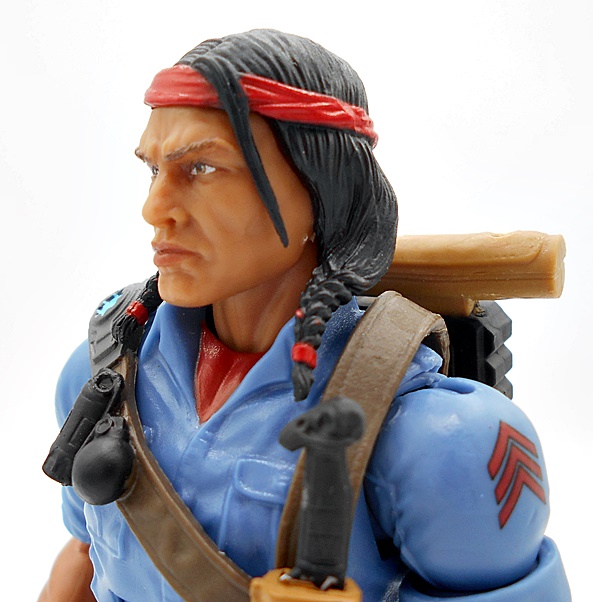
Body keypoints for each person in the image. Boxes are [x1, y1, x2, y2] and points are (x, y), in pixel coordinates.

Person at [40, 29, 571, 601]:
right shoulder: (105, 377)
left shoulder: (443, 442)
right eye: (153, 170)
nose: (154, 209)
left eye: (202, 169)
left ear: (323, 189)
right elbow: (87, 553)